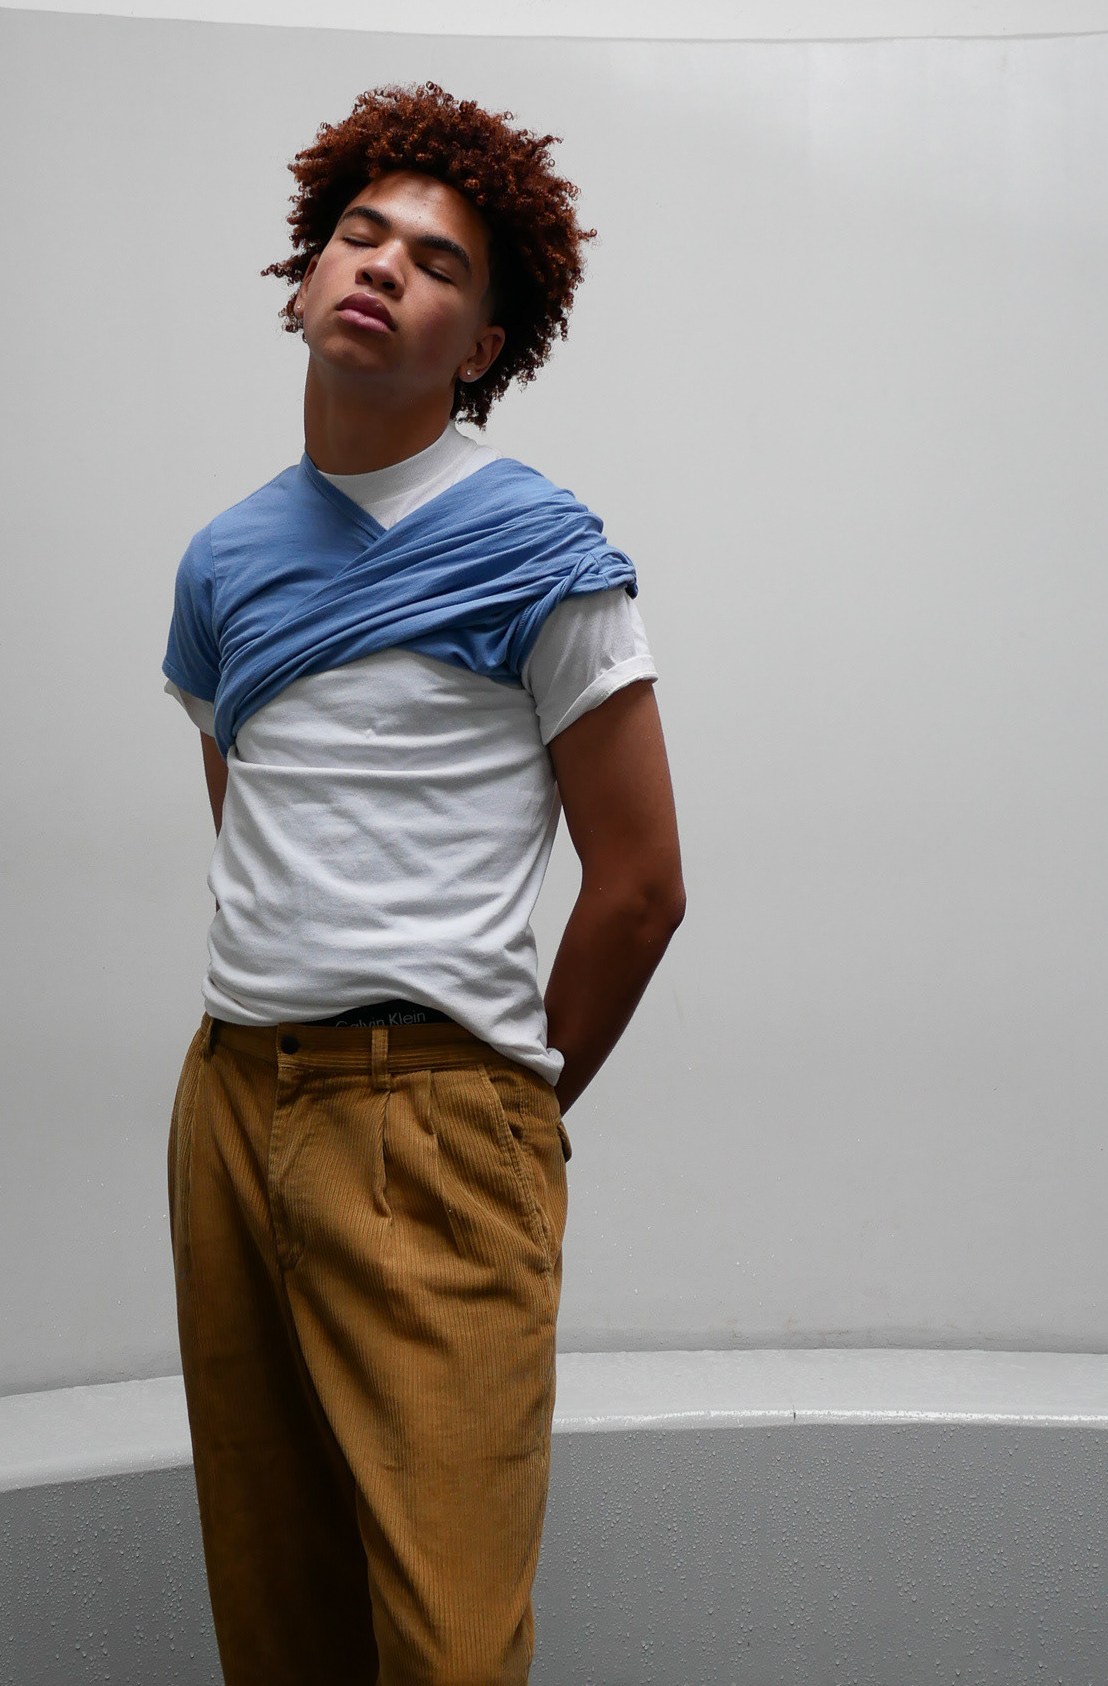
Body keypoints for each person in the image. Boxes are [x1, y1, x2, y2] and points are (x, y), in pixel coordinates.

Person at [162, 82, 685, 1686]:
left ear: (481, 346)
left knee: (446, 1644)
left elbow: (640, 886)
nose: (382, 264)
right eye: (358, 234)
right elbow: (249, 820)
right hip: (228, 1101)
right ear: (304, 279)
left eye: (436, 260)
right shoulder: (224, 561)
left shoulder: (540, 549)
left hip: (434, 1115)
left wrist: (508, 1111)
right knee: (280, 1619)